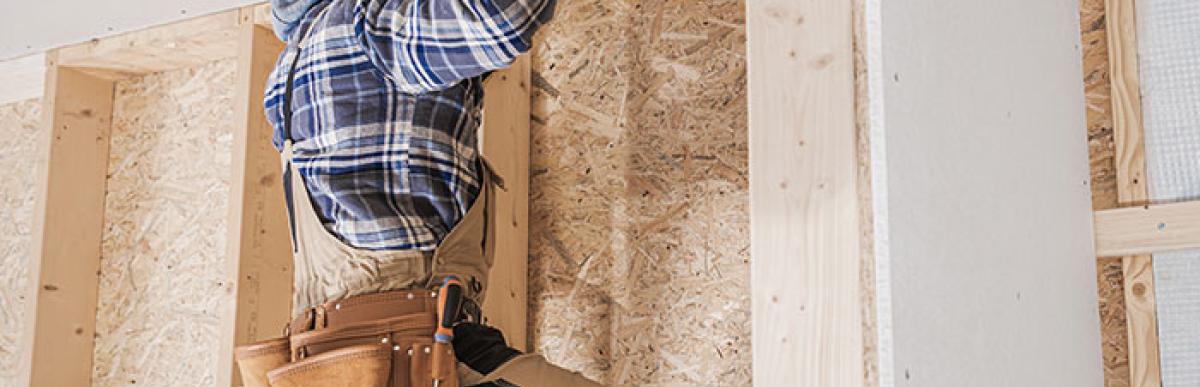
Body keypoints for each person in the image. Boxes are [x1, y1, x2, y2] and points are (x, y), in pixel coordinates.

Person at [234, 0, 602, 385]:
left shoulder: (301, 55)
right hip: (405, 346)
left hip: (374, 348)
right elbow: (503, 19)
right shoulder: (368, 29)